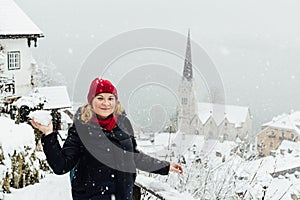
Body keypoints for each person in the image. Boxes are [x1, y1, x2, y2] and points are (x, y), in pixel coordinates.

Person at [30, 78, 183, 200]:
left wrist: (164, 167)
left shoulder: (123, 123)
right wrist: (49, 134)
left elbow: (134, 156)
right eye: (100, 98)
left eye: (111, 98)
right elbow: (61, 165)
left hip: (123, 196)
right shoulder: (81, 127)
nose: (106, 103)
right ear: (91, 101)